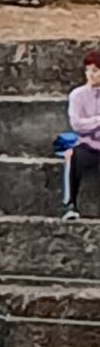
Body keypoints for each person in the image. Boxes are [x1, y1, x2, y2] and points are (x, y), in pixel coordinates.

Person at [64, 49, 100, 220]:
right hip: (87, 145)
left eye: (95, 70)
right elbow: (77, 124)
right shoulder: (77, 95)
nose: (90, 75)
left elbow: (85, 124)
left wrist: (91, 124)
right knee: (74, 156)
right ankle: (71, 204)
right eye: (88, 70)